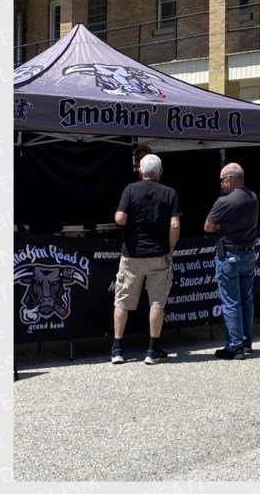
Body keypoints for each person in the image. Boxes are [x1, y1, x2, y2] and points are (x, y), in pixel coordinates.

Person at [111, 153, 181, 365]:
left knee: (122, 301)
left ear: (140, 171)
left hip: (132, 255)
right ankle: (152, 350)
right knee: (157, 302)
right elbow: (175, 225)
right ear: (160, 172)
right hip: (158, 255)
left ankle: (117, 349)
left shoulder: (130, 190)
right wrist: (170, 250)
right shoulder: (170, 193)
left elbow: (120, 219)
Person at [204, 163, 259, 360]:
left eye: (222, 180)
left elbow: (208, 226)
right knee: (247, 298)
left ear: (230, 179)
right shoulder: (253, 198)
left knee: (230, 301)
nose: (221, 184)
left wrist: (221, 224)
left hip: (229, 255)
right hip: (248, 253)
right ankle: (246, 341)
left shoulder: (223, 202)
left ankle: (234, 346)